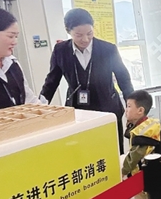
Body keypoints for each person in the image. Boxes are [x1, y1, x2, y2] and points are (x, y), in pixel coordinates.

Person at [41, 8, 134, 153]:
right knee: (84, 151)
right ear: (68, 31)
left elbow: (124, 79)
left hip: (107, 108)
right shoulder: (61, 50)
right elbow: (52, 81)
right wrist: (40, 106)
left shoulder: (108, 49)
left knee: (112, 150)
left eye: (89, 33)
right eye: (79, 35)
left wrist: (132, 105)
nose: (85, 39)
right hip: (77, 111)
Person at [122, 90, 161, 199]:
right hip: (153, 171)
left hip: (141, 175)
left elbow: (135, 156)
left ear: (140, 110)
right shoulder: (149, 125)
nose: (126, 110)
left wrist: (123, 171)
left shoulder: (140, 132)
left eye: (129, 106)